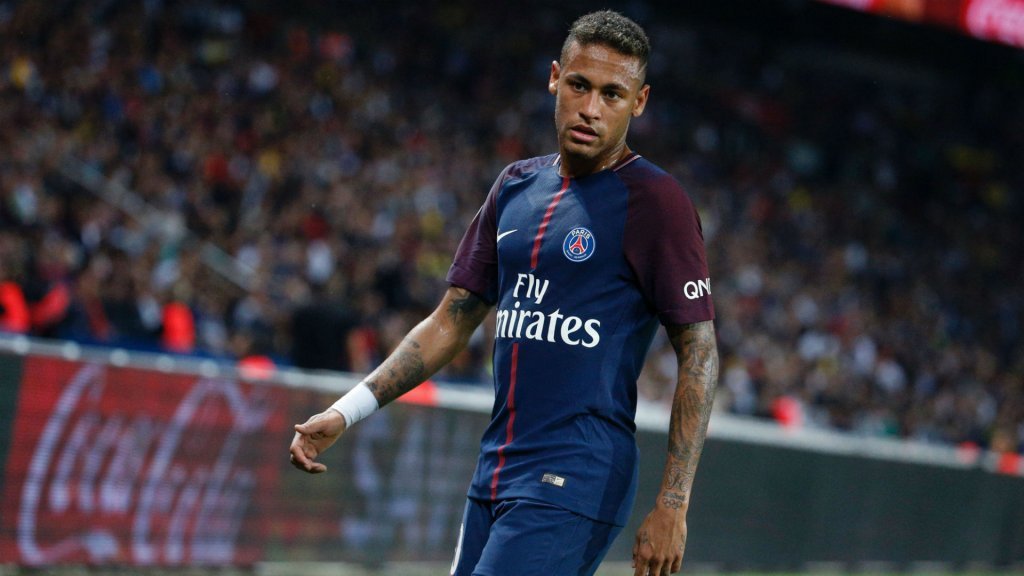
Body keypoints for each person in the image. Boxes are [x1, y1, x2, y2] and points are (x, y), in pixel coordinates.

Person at [289, 10, 718, 576]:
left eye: (612, 94)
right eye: (580, 85)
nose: (591, 108)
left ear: (639, 102)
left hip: (576, 475)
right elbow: (450, 320)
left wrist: (673, 504)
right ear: (554, 79)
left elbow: (699, 352)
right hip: (496, 469)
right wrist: (346, 411)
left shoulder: (657, 203)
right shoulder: (515, 186)